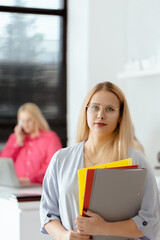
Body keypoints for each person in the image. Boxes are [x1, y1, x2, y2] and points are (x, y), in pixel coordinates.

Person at [40, 82, 160, 239]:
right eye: (95, 107)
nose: (100, 115)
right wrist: (64, 235)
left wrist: (104, 228)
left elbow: (149, 221)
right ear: (86, 111)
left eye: (109, 109)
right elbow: (48, 213)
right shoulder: (61, 159)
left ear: (120, 116)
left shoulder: (135, 160)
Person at [0, 102, 62, 184]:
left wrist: (30, 180)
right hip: (16, 188)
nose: (25, 124)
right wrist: (18, 143)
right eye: (21, 121)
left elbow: (53, 165)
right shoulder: (14, 138)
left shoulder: (50, 138)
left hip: (41, 187)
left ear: (36, 119)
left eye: (28, 120)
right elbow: (4, 163)